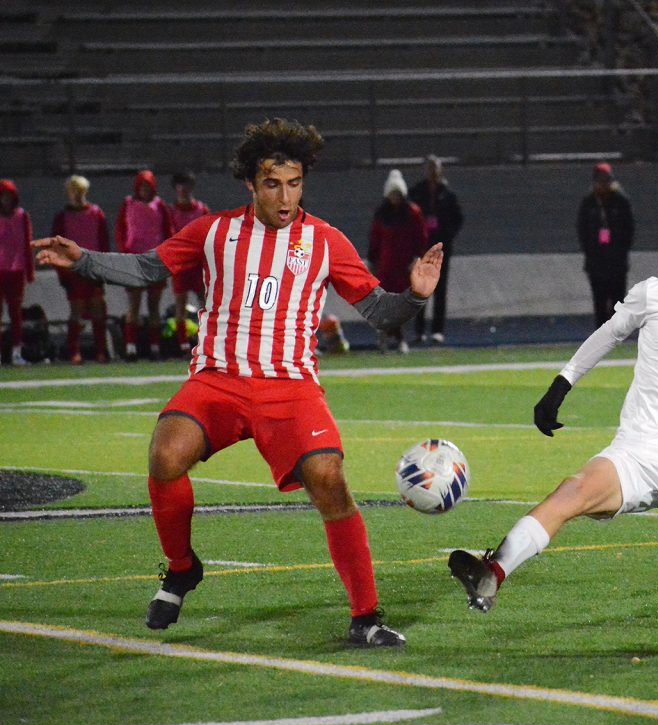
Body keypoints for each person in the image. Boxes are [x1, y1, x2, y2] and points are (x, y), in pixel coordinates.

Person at [35, 118, 443, 647]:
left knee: (330, 479)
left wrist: (413, 295)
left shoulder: (325, 242)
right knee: (165, 455)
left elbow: (381, 314)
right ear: (250, 185)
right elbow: (147, 269)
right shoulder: (213, 232)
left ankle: (365, 616)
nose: (286, 195)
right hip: (218, 380)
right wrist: (84, 259)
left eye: (294, 183)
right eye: (273, 184)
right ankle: (181, 569)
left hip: (289, 388)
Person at [449, 203, 658, 620]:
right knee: (570, 492)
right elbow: (608, 334)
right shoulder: (657, 293)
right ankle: (494, 571)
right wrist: (561, 384)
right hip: (640, 454)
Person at [367, 169, 429, 354]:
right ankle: (386, 335)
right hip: (386, 267)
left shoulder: (412, 212)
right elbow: (375, 239)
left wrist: (418, 258)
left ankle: (398, 337)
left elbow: (421, 237)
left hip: (404, 266)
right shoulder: (382, 214)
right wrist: (372, 261)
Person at [51, 175, 110, 364]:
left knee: (98, 310)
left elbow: (103, 243)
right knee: (76, 312)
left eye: (79, 192)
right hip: (73, 271)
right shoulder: (62, 217)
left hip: (93, 269)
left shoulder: (96, 214)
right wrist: (62, 273)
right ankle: (74, 352)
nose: (76, 196)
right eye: (73, 192)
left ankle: (101, 351)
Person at [115, 169, 173, 360]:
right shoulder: (128, 203)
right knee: (134, 305)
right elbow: (120, 230)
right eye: (142, 186)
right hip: (134, 259)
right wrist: (124, 251)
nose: (145, 189)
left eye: (148, 186)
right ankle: (131, 348)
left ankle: (155, 348)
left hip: (155, 260)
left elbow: (168, 232)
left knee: (154, 305)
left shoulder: (160, 205)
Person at [408, 155, 463, 344]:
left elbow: (458, 218)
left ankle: (438, 330)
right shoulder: (417, 192)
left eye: (436, 168)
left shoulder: (447, 193)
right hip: (423, 247)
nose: (433, 171)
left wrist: (447, 235)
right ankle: (419, 330)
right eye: (430, 168)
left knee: (440, 289)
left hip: (441, 248)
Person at [577, 161, 635, 328]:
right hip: (596, 261)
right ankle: (601, 333)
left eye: (606, 180)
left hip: (616, 260)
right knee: (599, 299)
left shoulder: (620, 200)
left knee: (617, 298)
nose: (604, 184)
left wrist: (622, 251)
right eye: (600, 180)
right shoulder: (588, 202)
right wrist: (589, 252)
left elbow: (629, 228)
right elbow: (582, 229)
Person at [168, 171, 211, 356]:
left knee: (206, 304)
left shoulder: (201, 209)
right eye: (180, 186)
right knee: (180, 305)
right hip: (180, 264)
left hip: (199, 264)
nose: (183, 190)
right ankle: (183, 345)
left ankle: (205, 342)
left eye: (186, 185)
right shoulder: (170, 211)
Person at [0, 179, 34, 366]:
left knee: (16, 314)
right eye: (3, 196)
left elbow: (26, 244)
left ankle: (16, 352)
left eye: (9, 196)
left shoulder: (21, 216)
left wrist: (29, 272)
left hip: (16, 270)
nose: (6, 200)